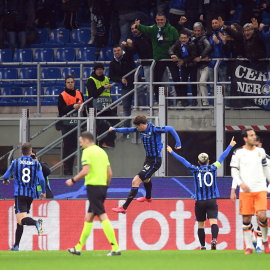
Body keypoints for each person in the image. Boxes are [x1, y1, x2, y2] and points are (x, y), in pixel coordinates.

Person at [167, 137, 236, 250]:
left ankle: (203, 246)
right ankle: (214, 240)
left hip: (199, 201)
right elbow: (222, 157)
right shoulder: (214, 167)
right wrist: (230, 145)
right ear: (208, 161)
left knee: (200, 224)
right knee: (213, 221)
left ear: (198, 162)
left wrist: (172, 152)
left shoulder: (194, 169)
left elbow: (183, 160)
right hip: (211, 200)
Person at [109, 115, 182, 214]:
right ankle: (148, 197)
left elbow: (170, 128)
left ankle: (124, 207)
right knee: (146, 179)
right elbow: (128, 129)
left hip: (155, 161)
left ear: (142, 124)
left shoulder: (155, 129)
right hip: (148, 159)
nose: (137, 128)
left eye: (138, 126)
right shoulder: (140, 129)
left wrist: (178, 143)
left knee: (136, 181)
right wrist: (115, 129)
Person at [66, 131, 120, 256]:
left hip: (93, 187)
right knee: (89, 217)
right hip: (102, 187)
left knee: (102, 216)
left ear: (86, 141)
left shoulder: (87, 152)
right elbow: (109, 173)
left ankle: (115, 248)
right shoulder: (101, 152)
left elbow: (86, 170)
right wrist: (105, 186)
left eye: (81, 142)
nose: (80, 145)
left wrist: (72, 180)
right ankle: (78, 248)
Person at [230, 128, 270, 254]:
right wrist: (240, 184)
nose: (254, 137)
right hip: (246, 192)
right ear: (245, 139)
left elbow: (265, 170)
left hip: (260, 190)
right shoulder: (238, 153)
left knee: (262, 217)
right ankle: (249, 246)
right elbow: (234, 171)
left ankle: (265, 241)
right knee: (246, 219)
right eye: (251, 135)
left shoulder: (261, 152)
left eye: (254, 135)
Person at [2, 142, 46, 251]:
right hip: (30, 195)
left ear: (21, 152)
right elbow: (41, 179)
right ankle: (16, 245)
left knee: (21, 219)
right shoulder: (36, 164)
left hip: (20, 194)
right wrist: (43, 192)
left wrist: (5, 180)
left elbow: (6, 175)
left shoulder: (15, 162)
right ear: (31, 152)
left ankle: (37, 223)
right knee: (19, 220)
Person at [135, 13, 181, 103]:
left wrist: (176, 56)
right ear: (156, 20)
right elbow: (145, 29)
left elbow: (178, 43)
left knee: (176, 79)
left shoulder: (172, 29)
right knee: (156, 81)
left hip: (171, 59)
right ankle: (158, 101)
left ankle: (180, 100)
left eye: (161, 20)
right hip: (159, 59)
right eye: (158, 20)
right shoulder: (153, 29)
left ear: (165, 20)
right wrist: (138, 26)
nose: (160, 21)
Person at [178, 17, 212, 106]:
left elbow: (209, 47)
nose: (196, 32)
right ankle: (198, 103)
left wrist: (201, 57)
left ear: (202, 30)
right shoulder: (192, 34)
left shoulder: (204, 38)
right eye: (195, 30)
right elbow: (183, 29)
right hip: (196, 65)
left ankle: (205, 103)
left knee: (202, 83)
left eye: (198, 31)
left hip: (204, 64)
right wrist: (181, 23)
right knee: (196, 85)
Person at [57, 75, 86, 175]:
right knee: (68, 148)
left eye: (72, 82)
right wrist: (72, 107)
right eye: (68, 82)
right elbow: (61, 110)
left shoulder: (79, 94)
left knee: (79, 146)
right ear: (65, 84)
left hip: (79, 124)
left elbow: (84, 108)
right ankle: (67, 169)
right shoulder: (62, 95)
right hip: (67, 126)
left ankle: (83, 170)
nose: (70, 84)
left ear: (74, 83)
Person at [86, 62, 117, 148]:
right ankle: (97, 145)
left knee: (116, 120)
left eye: (101, 69)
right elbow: (93, 94)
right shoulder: (91, 80)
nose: (99, 71)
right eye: (97, 69)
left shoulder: (106, 79)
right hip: (95, 108)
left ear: (103, 70)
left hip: (106, 107)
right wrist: (103, 87)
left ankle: (108, 141)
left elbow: (108, 94)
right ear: (95, 70)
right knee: (98, 127)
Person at [109, 44, 137, 125]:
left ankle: (141, 129)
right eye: (115, 51)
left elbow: (130, 53)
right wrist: (120, 80)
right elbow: (111, 77)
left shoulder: (128, 57)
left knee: (141, 107)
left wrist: (127, 46)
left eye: (118, 50)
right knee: (126, 108)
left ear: (122, 51)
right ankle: (127, 129)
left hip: (137, 85)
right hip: (125, 87)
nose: (117, 52)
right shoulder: (112, 63)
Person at [169, 30, 198, 106]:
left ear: (188, 38)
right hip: (184, 66)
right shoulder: (178, 43)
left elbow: (193, 56)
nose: (183, 40)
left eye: (185, 38)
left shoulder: (192, 44)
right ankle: (184, 100)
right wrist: (172, 55)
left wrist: (183, 60)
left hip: (192, 65)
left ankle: (195, 100)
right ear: (179, 38)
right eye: (182, 38)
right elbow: (170, 49)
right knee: (183, 83)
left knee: (193, 82)